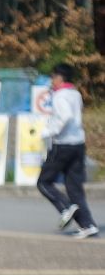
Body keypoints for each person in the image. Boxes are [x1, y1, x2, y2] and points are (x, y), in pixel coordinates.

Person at [38, 62, 99, 240]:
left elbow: (65, 117)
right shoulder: (75, 94)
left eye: (53, 77)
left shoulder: (60, 96)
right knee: (74, 187)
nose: (51, 81)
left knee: (44, 182)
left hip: (62, 144)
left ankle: (65, 207)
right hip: (78, 144)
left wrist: (49, 131)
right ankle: (88, 225)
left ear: (59, 78)